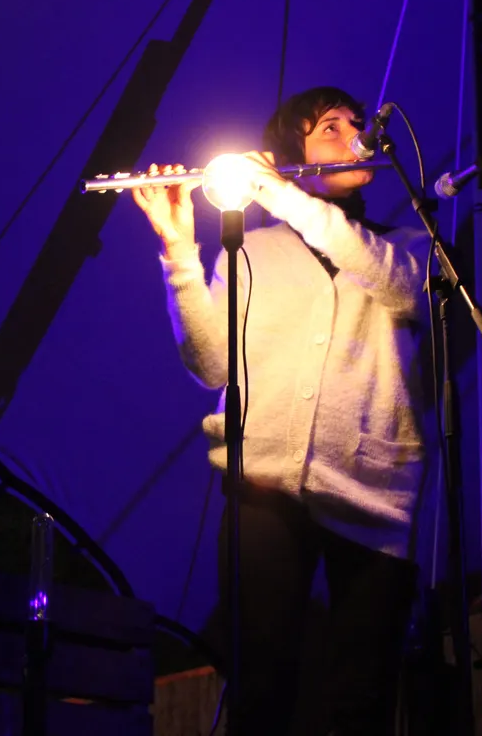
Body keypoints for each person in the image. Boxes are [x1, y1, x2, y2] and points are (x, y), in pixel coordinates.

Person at [132, 86, 432, 735]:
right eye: (331, 128)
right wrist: (178, 249)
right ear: (291, 151)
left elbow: (402, 288)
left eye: (356, 124)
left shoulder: (409, 244)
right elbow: (210, 364)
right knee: (261, 687)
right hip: (266, 483)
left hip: (377, 498)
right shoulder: (252, 251)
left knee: (362, 698)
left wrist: (278, 193)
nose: (356, 137)